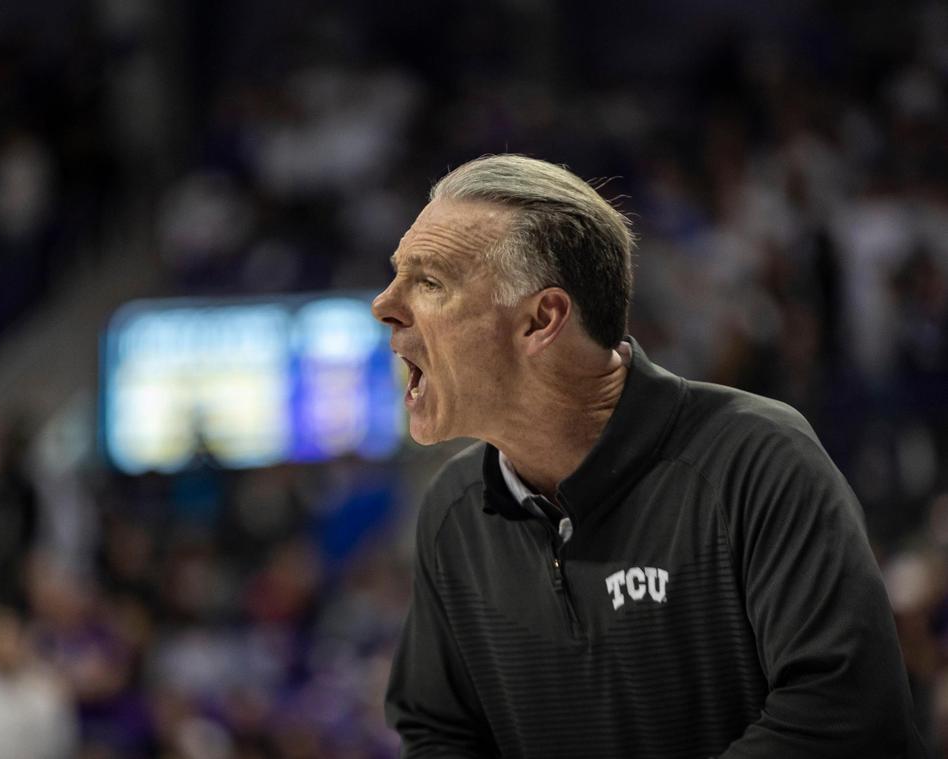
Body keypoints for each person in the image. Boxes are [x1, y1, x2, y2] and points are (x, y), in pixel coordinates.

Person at [371, 154, 923, 758]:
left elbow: (846, 720)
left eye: (429, 283)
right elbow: (439, 735)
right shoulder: (452, 512)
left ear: (541, 319)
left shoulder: (756, 459)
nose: (384, 305)